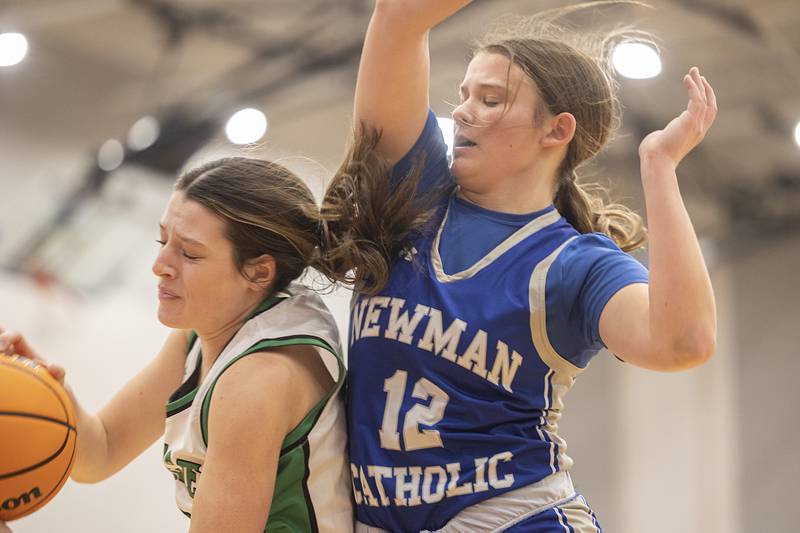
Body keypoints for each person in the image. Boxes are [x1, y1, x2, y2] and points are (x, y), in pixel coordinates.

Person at [323, 0, 718, 531]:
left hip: (510, 518)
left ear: (556, 131)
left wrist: (660, 166)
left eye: (490, 99)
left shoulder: (575, 264)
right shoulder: (412, 197)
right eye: (464, 95)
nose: (463, 111)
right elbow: (397, 15)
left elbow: (684, 342)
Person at [0, 158, 354, 532]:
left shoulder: (257, 381)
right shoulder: (202, 336)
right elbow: (100, 452)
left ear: (259, 271)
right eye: (162, 239)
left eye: (189, 253)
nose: (160, 264)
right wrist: (44, 388)